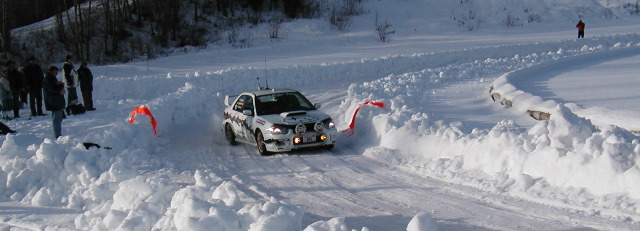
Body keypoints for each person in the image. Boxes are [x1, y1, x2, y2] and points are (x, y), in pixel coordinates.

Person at [43, 66, 66, 138]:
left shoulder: (51, 78)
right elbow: (53, 89)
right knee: (56, 119)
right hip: (53, 101)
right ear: (52, 71)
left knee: (58, 118)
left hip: (55, 101)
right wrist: (61, 85)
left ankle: (58, 134)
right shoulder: (48, 79)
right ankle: (57, 135)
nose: (56, 74)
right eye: (56, 72)